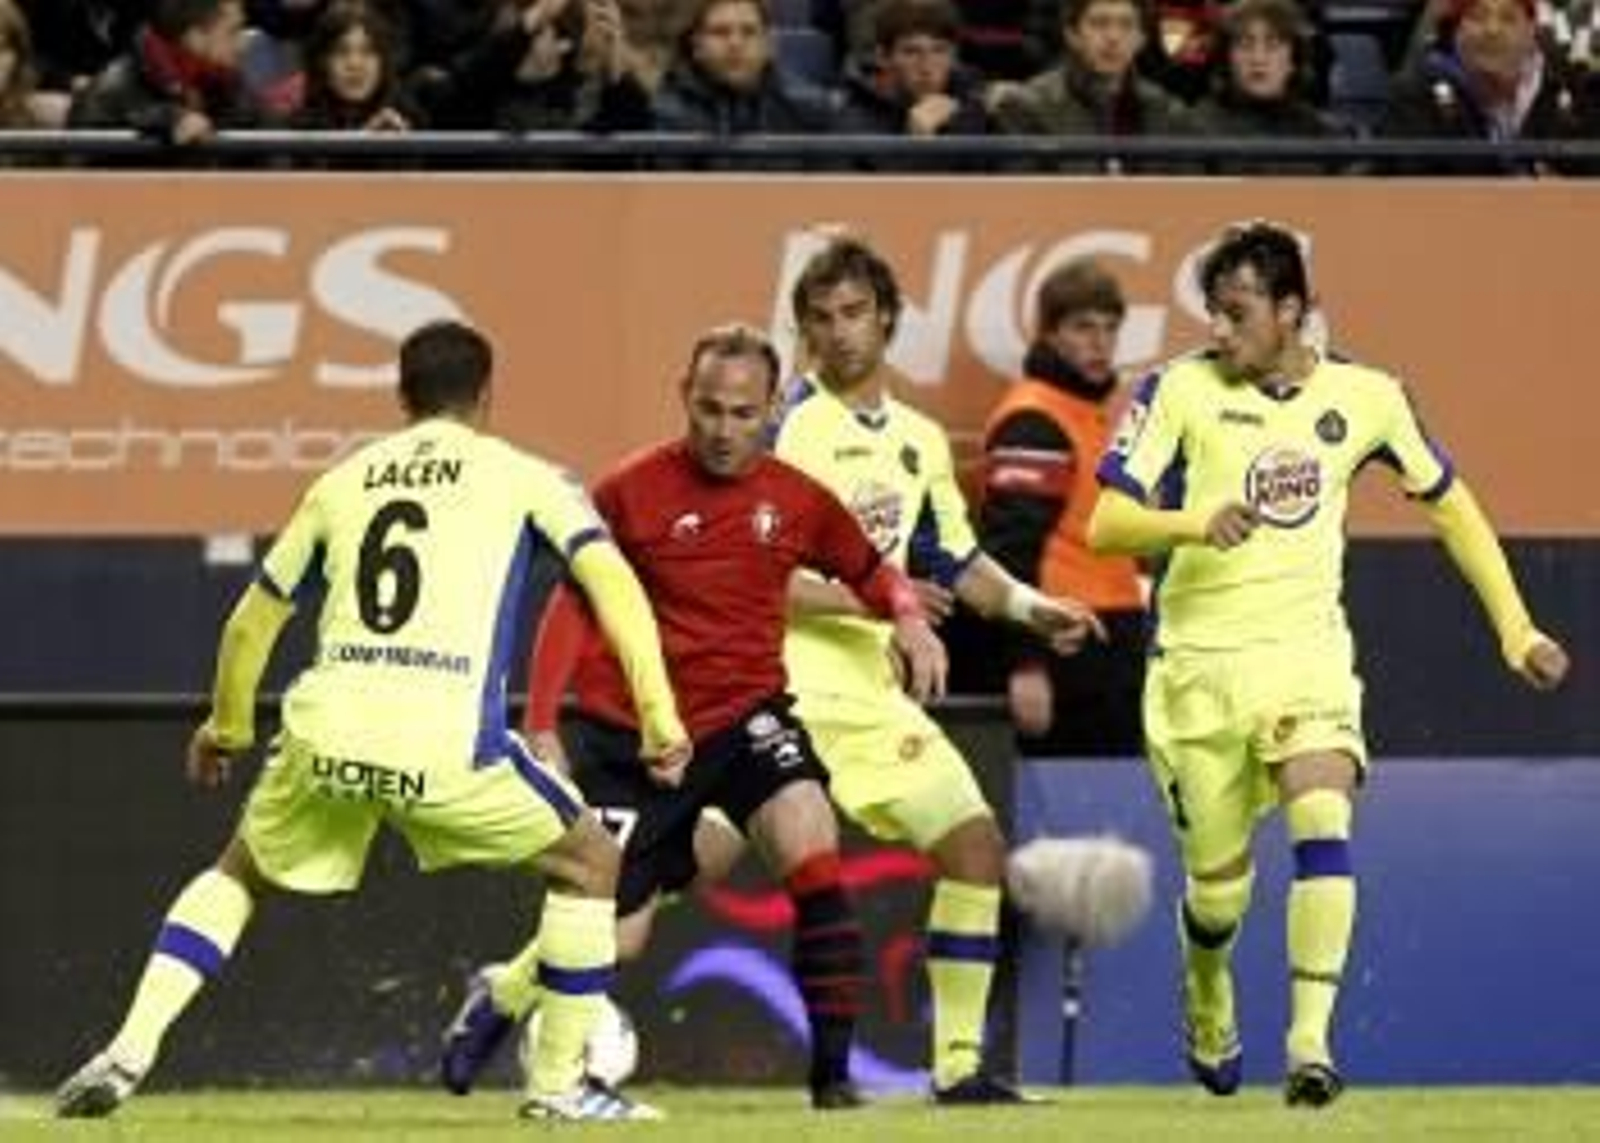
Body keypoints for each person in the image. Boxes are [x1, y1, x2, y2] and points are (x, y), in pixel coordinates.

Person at [53, 320, 691, 1123]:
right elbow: (614, 584)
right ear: (487, 396)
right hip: (447, 740)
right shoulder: (526, 477)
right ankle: (559, 1088)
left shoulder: (343, 480)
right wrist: (661, 715)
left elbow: (252, 621)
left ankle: (130, 1047)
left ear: (401, 396)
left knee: (239, 871)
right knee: (591, 862)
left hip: (329, 729)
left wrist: (227, 727)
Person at [1088, 220, 1571, 1108]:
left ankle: (1310, 1041)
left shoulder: (1370, 397)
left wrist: (1517, 629)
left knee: (1323, 808)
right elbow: (1106, 525)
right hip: (1196, 667)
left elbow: (1452, 507)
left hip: (1305, 654)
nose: (1219, 332)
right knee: (1219, 895)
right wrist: (1195, 520)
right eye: (1213, 314)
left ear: (1290, 311)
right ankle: (1207, 988)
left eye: (1236, 315)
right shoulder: (1179, 391)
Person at [438, 322, 947, 1110]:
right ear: (685, 396)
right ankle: (506, 995)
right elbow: (573, 602)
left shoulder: (797, 499)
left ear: (772, 408)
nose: (723, 429)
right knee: (615, 931)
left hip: (745, 719)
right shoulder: (629, 490)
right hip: (630, 734)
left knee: (811, 837)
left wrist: (908, 616)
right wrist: (542, 723)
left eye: (744, 413)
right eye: (710, 408)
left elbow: (872, 570)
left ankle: (834, 1085)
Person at [771, 235, 1105, 1103]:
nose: (840, 333)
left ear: (887, 317)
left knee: (974, 846)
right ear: (805, 334)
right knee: (679, 860)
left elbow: (955, 558)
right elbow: (752, 577)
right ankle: (522, 995)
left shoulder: (917, 440)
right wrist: (878, 601)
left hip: (872, 701)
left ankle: (957, 1068)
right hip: (781, 692)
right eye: (821, 320)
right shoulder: (790, 430)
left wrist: (1038, 609)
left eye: (854, 313)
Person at [979, 256, 1146, 758]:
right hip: (1066, 654)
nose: (1100, 342)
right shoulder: (1034, 419)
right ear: (1048, 335)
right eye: (1082, 327)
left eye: (1110, 328)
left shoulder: (1088, 413)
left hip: (1109, 651)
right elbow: (1009, 553)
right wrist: (1026, 665)